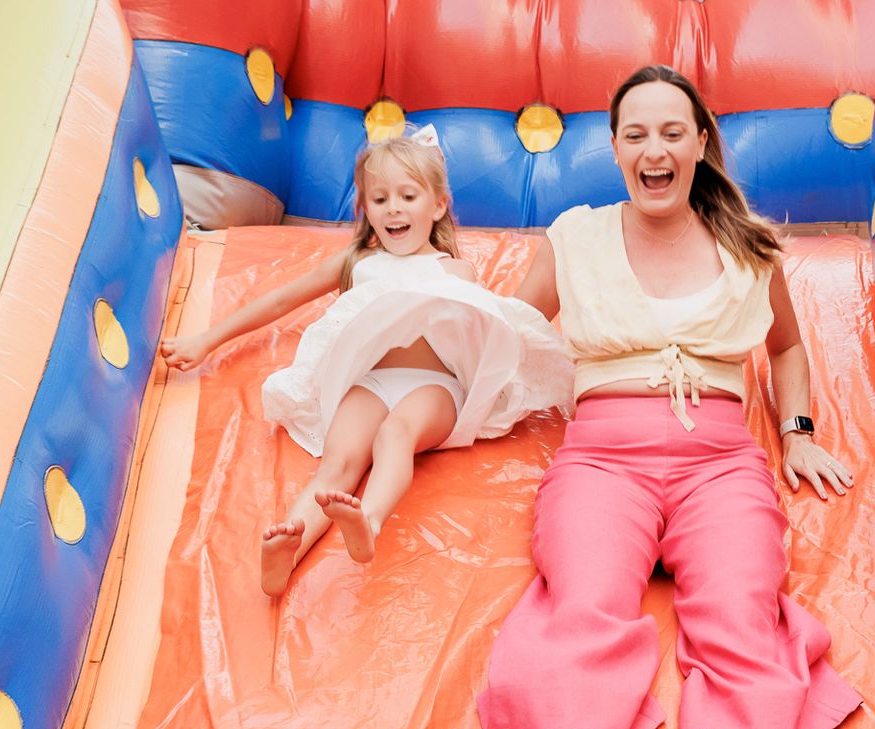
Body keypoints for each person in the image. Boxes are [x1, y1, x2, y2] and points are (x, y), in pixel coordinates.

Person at [477, 65, 858, 729]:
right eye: (637, 134)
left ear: (700, 145)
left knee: (742, 606)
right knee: (585, 601)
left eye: (672, 133)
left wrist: (796, 435)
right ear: (614, 149)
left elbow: (786, 348)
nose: (655, 149)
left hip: (719, 461)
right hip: (602, 459)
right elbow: (502, 334)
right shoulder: (574, 238)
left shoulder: (747, 243)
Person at [160, 127, 572, 589]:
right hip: (373, 382)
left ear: (437, 206)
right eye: (379, 199)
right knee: (337, 462)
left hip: (435, 389)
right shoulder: (358, 264)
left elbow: (490, 331)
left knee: (395, 435)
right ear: (366, 210)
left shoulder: (455, 269)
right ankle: (286, 553)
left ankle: (369, 522)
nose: (393, 207)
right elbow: (281, 301)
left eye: (407, 196)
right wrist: (208, 340)